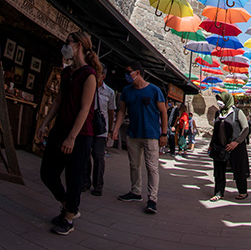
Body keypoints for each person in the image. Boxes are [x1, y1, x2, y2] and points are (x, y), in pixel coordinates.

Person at [38, 31, 101, 235]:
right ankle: (69, 205)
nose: (66, 46)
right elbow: (58, 100)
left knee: (74, 178)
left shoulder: (89, 74)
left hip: (80, 135)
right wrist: (44, 123)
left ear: (79, 46)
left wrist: (72, 137)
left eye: (69, 43)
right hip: (60, 129)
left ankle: (69, 218)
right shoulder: (67, 73)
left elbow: (85, 108)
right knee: (47, 172)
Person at [111, 61, 168, 214]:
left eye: (128, 71)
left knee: (152, 167)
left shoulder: (154, 90)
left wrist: (164, 133)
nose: (126, 75)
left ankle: (152, 199)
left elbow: (163, 112)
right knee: (134, 165)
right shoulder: (126, 91)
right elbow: (122, 112)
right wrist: (115, 129)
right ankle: (135, 191)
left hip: (151, 135)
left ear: (137, 72)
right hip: (133, 134)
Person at [208, 92, 250, 202]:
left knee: (239, 169)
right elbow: (215, 131)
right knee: (219, 171)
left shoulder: (237, 112)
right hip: (220, 147)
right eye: (218, 99)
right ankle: (218, 192)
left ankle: (242, 191)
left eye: (221, 99)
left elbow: (245, 128)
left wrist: (236, 142)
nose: (219, 102)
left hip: (235, 148)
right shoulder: (218, 113)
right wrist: (211, 144)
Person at [82, 64, 116, 196]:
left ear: (104, 76)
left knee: (98, 156)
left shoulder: (109, 92)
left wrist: (110, 130)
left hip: (101, 128)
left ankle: (98, 184)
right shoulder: (87, 86)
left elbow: (111, 112)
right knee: (85, 154)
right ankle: (85, 181)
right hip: (87, 125)